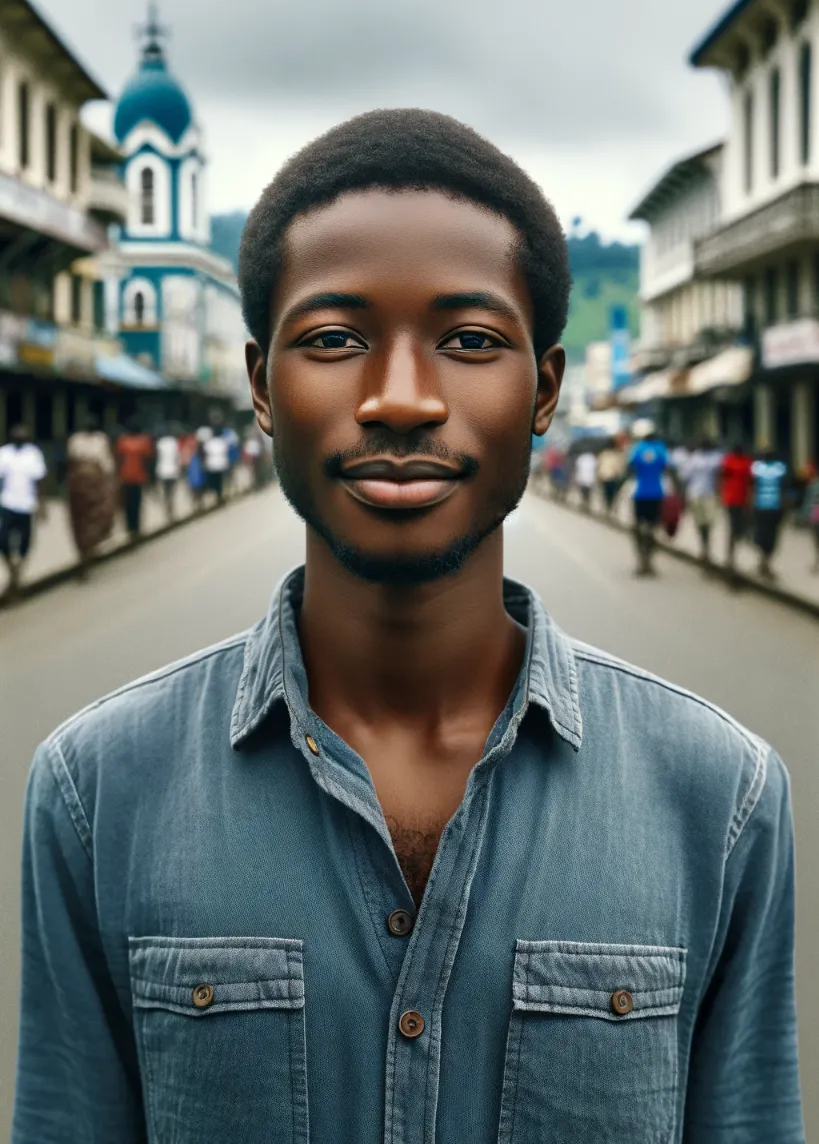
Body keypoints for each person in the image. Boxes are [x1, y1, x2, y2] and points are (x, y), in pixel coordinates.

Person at [13, 110, 803, 1143]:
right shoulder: (95, 792)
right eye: (334, 339)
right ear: (261, 385)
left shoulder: (723, 799)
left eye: (470, 340)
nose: (398, 399)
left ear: (545, 389)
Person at [65, 416, 117, 578]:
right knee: (79, 523)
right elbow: (71, 461)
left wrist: (109, 483)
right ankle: (83, 556)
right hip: (79, 487)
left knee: (99, 518)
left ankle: (87, 554)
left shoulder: (101, 440)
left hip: (96, 486)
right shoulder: (75, 440)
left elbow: (107, 464)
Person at [0, 424, 47, 602]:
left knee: (24, 544)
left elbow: (39, 481)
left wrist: (42, 505)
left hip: (26, 505)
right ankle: (14, 574)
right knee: (3, 541)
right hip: (7, 503)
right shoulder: (4, 453)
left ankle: (15, 579)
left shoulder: (33, 454)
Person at [627, 424, 668, 576]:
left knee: (637, 528)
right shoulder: (660, 449)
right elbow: (665, 467)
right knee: (652, 529)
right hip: (656, 493)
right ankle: (649, 562)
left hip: (640, 494)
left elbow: (630, 468)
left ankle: (641, 562)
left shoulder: (637, 448)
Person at [682, 438, 724, 570]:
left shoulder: (716, 458)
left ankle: (706, 547)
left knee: (708, 522)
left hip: (709, 495)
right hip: (697, 495)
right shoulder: (695, 459)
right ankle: (704, 547)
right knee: (702, 523)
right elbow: (686, 478)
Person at [752, 447, 789, 581]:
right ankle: (766, 562)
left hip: (762, 507)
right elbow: (784, 489)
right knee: (771, 536)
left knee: (763, 535)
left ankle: (764, 562)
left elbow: (752, 487)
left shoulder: (757, 468)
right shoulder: (779, 468)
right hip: (773, 508)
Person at [115, 418, 154, 540]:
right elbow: (148, 461)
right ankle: (136, 527)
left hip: (125, 476)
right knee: (136, 503)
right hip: (139, 477)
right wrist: (150, 478)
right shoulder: (144, 441)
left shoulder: (122, 441)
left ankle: (130, 527)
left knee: (127, 504)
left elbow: (118, 459)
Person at [720, 442, 754, 578]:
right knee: (734, 527)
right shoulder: (729, 461)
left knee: (740, 528)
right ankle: (731, 556)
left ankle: (733, 552)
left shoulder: (747, 462)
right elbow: (722, 477)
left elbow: (751, 481)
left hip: (743, 499)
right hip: (731, 499)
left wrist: (750, 499)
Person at [200, 415, 231, 505]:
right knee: (220, 481)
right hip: (221, 464)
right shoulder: (222, 442)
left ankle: (216, 496)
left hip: (212, 465)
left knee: (214, 481)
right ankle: (219, 496)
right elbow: (226, 452)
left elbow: (205, 453)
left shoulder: (209, 443)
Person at [155, 424, 181, 519]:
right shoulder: (174, 442)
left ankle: (167, 508)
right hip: (173, 470)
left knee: (166, 491)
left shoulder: (160, 443)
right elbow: (177, 457)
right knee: (172, 491)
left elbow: (157, 457)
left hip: (162, 470)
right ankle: (171, 508)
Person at [596, 437, 626, 514]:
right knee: (611, 494)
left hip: (605, 476)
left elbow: (599, 465)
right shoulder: (617, 454)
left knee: (606, 493)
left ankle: (608, 508)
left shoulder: (603, 454)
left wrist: (599, 475)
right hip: (612, 476)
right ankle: (609, 508)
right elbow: (620, 466)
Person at [573, 447, 597, 511]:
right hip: (589, 478)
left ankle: (584, 502)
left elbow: (577, 467)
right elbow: (595, 468)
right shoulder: (593, 458)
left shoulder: (581, 457)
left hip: (583, 477)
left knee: (583, 491)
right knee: (588, 492)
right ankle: (586, 503)